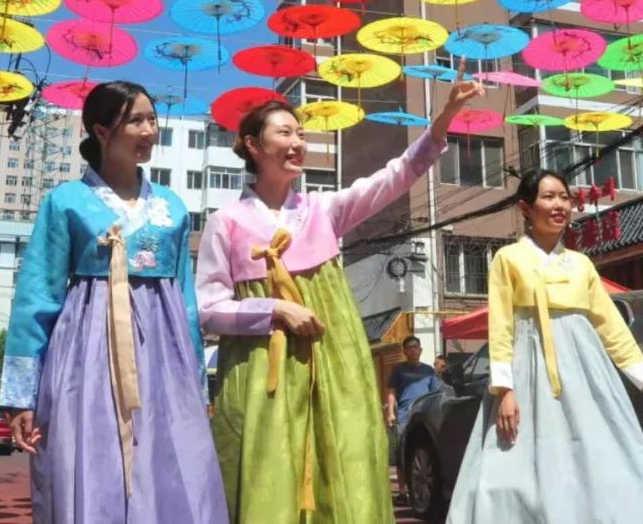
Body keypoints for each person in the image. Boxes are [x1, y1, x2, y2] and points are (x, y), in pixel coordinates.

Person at [196, 71, 483, 524]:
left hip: (334, 363)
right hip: (260, 373)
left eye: (301, 134)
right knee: (270, 472)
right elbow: (208, 311)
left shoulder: (321, 210)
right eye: (284, 132)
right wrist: (274, 309)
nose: (297, 142)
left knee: (343, 456)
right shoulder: (225, 222)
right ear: (253, 144)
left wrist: (443, 119)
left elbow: (395, 176)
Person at [0, 81, 227, 523]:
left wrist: (194, 380)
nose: (149, 130)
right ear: (101, 131)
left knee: (172, 462)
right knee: (89, 457)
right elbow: (37, 297)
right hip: (86, 354)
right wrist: (21, 397)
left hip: (163, 359)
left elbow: (185, 301)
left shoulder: (174, 208)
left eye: (152, 119)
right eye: (136, 120)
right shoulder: (65, 202)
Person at [446, 169, 643, 524]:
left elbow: (612, 328)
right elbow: (501, 327)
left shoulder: (581, 263)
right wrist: (505, 390)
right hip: (528, 373)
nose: (559, 205)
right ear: (526, 208)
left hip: (586, 374)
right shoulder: (508, 259)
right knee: (520, 463)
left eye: (564, 197)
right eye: (549, 197)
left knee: (601, 459)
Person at [385, 336, 440, 502]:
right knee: (402, 454)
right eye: (408, 348)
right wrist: (390, 413)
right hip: (404, 416)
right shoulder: (399, 370)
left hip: (424, 417)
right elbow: (391, 391)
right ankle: (402, 492)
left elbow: (435, 392)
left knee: (420, 454)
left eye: (415, 347)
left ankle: (417, 491)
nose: (412, 350)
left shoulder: (429, 371)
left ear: (421, 350)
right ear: (404, 352)